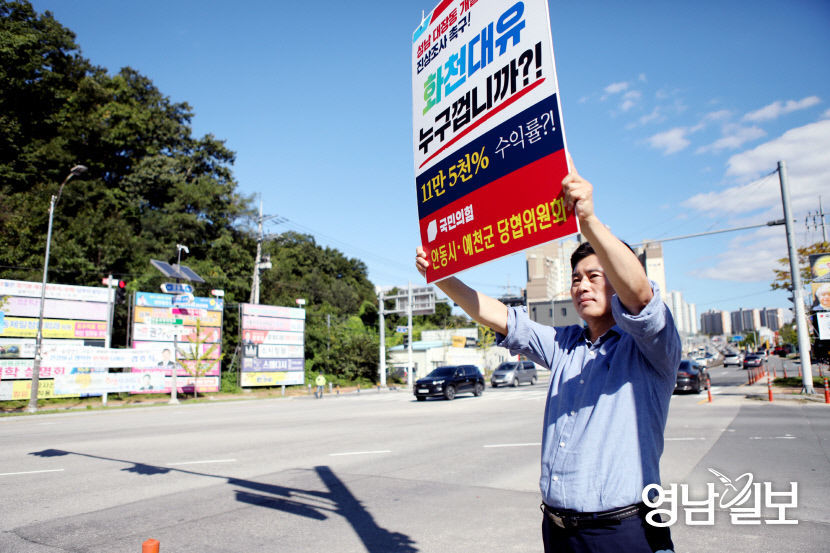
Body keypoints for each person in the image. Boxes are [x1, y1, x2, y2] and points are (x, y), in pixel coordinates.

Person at [415, 158, 680, 553]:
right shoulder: (565, 344)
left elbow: (641, 298)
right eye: (576, 278)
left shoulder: (649, 347)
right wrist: (442, 276)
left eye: (595, 276)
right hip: (557, 530)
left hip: (622, 531)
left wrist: (588, 219)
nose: (582, 286)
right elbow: (497, 315)